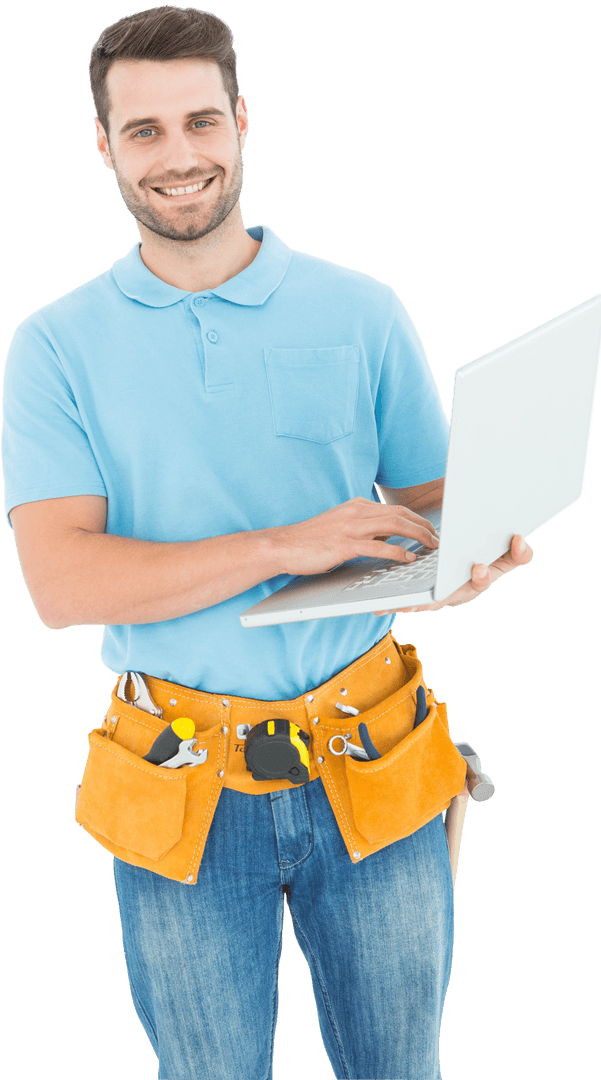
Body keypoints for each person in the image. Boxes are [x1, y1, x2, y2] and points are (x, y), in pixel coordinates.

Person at [1, 7, 533, 1079]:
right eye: (144, 130)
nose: (179, 155)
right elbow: (61, 584)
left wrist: (470, 550)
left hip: (373, 760)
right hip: (178, 781)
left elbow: (433, 504)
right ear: (104, 145)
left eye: (201, 120)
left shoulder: (361, 309)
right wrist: (281, 545)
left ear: (242, 122)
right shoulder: (54, 346)